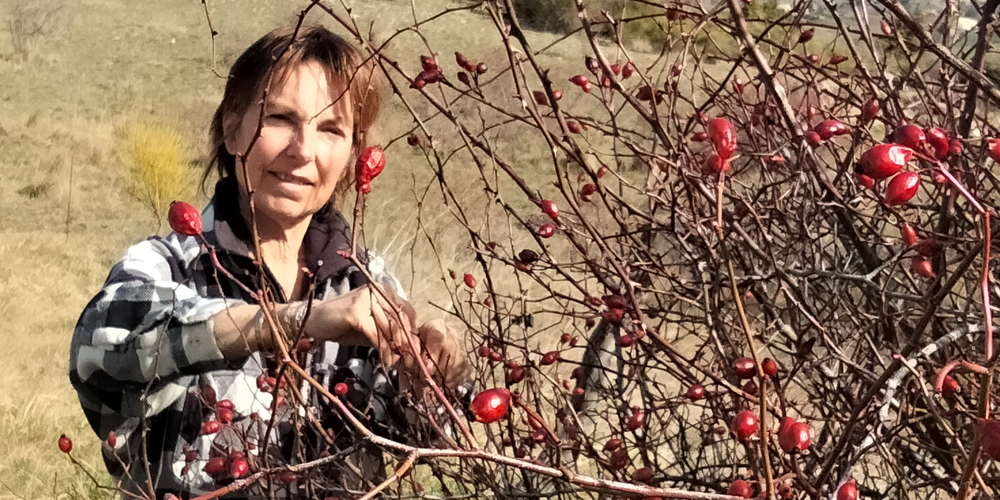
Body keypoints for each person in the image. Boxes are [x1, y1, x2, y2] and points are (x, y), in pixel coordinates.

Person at [69, 25, 470, 499]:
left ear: (350, 154)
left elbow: (425, 442)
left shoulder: (366, 281)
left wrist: (432, 378)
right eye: (280, 119)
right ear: (231, 127)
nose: (303, 150)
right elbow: (103, 348)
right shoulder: (170, 266)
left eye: (330, 130)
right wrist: (293, 321)